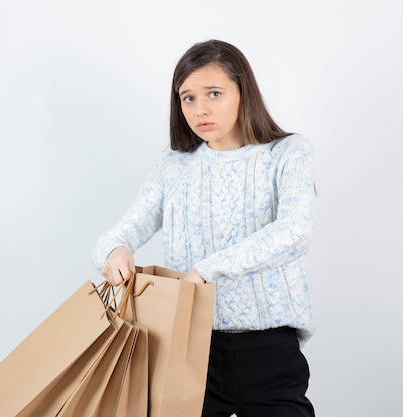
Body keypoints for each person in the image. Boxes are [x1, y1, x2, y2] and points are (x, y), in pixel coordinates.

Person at [91, 39, 316, 417]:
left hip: (268, 352)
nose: (200, 109)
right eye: (188, 98)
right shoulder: (175, 165)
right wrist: (114, 251)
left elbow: (295, 232)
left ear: (243, 92)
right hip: (186, 348)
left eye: (214, 93)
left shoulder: (288, 153)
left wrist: (208, 270)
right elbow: (122, 231)